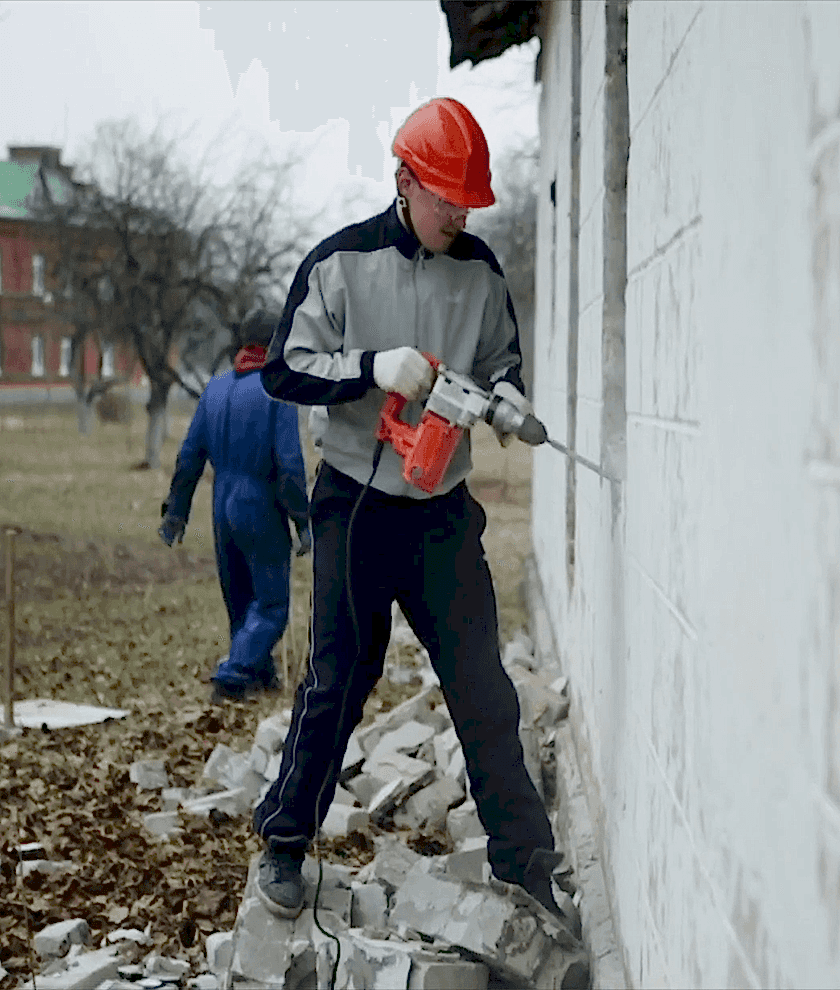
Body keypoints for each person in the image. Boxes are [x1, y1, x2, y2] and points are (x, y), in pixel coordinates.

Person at [252, 98, 570, 925]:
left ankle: (528, 865)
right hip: (354, 505)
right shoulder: (340, 263)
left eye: (467, 202)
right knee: (338, 681)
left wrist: (506, 400)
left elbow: (505, 360)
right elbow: (286, 369)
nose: (457, 215)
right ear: (403, 181)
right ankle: (284, 844)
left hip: (441, 516)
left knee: (483, 691)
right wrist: (370, 366)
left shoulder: (483, 272)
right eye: (444, 199)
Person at [158, 310, 310, 703]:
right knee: (273, 602)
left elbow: (189, 456)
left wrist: (176, 513)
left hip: (220, 501)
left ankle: (262, 673)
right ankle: (234, 673)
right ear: (276, 343)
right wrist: (303, 522)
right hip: (259, 502)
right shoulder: (277, 391)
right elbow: (290, 465)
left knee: (240, 595)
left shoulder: (215, 389)